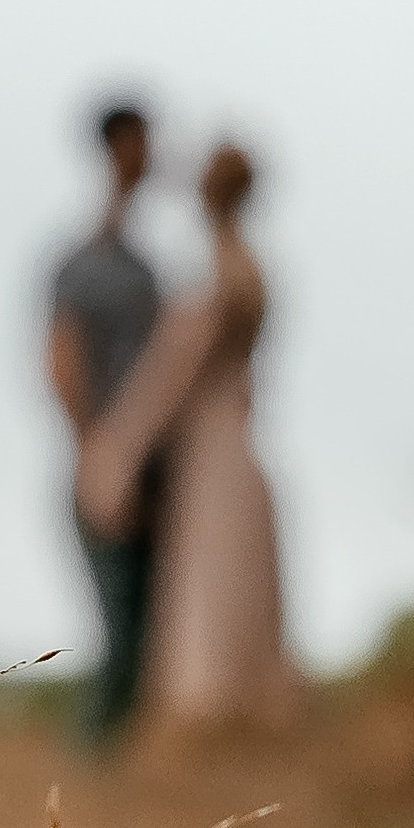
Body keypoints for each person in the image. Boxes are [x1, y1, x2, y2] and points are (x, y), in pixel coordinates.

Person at [75, 141, 296, 729]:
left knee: (210, 619)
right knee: (239, 616)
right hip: (239, 456)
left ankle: (209, 750)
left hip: (212, 469)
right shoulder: (248, 266)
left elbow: (164, 386)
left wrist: (113, 456)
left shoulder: (221, 282)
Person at [47, 102, 164, 741]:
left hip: (148, 466)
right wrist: (101, 456)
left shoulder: (147, 269)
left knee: (148, 636)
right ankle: (90, 769)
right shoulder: (81, 266)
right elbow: (61, 364)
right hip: (107, 464)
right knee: (121, 636)